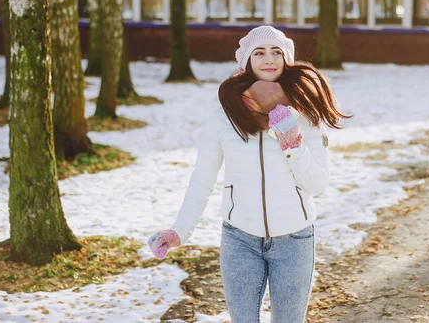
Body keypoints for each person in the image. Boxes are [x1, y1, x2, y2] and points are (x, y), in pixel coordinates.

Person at [148, 25, 351, 322]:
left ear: (286, 59)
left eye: (276, 52)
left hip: (294, 239)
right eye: (259, 52)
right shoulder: (222, 118)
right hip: (239, 239)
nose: (268, 59)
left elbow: (318, 185)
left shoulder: (305, 115)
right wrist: (180, 230)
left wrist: (291, 143)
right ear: (246, 60)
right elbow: (202, 180)